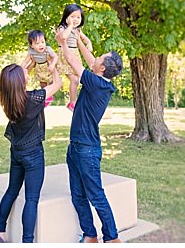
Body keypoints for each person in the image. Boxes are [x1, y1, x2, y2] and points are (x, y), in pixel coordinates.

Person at [55, 24, 124, 243]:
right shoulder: (101, 80)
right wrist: (79, 37)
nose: (95, 58)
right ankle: (90, 235)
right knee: (78, 195)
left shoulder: (95, 83)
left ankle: (112, 238)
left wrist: (63, 42)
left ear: (102, 68)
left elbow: (74, 62)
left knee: (95, 195)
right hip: (76, 146)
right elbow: (89, 57)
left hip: (86, 150)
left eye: (100, 58)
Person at [0, 63, 62, 243]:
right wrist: (53, 64)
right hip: (33, 154)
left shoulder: (8, 97)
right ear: (21, 81)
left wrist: (31, 59)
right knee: (32, 199)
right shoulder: (33, 98)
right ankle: (27, 242)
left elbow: (14, 75)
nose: (26, 71)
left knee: (11, 191)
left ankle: (0, 232)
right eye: (24, 72)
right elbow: (58, 84)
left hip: (16, 152)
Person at [54, 4, 92, 112]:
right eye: (72, 16)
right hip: (65, 54)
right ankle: (72, 102)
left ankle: (73, 102)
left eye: (78, 17)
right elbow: (63, 37)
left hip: (75, 54)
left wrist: (89, 44)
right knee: (74, 80)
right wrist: (70, 26)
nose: (75, 20)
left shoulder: (78, 30)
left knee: (78, 79)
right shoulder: (62, 28)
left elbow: (86, 39)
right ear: (66, 17)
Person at [19, 29, 59, 107]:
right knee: (42, 83)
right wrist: (20, 69)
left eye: (42, 42)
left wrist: (52, 64)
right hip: (39, 67)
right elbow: (25, 61)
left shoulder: (48, 49)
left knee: (51, 81)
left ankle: (50, 94)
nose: (41, 45)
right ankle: (47, 97)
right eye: (37, 43)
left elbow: (55, 57)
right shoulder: (31, 51)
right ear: (31, 46)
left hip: (47, 66)